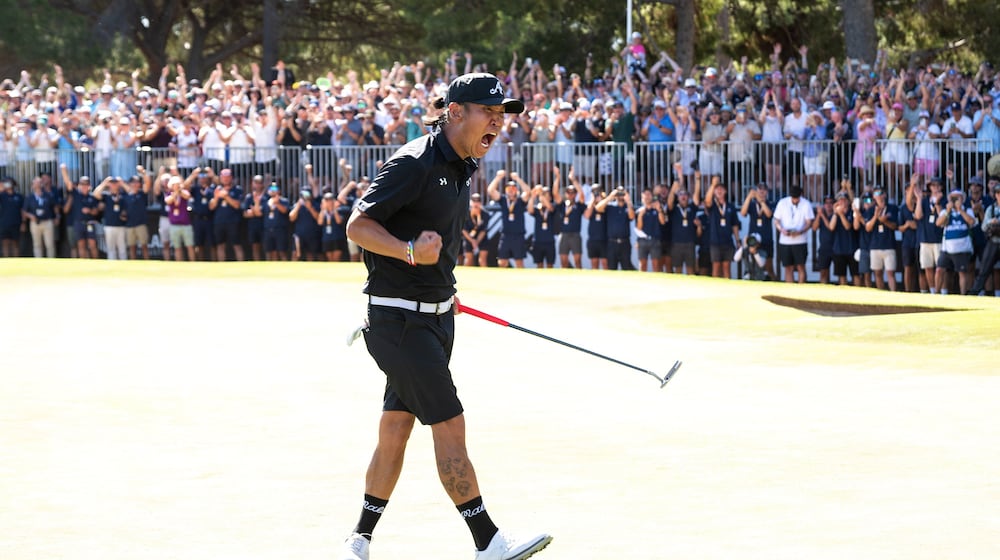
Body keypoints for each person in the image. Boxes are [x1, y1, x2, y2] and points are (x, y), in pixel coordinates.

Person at [341, 72, 551, 560]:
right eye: (488, 113)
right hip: (399, 322)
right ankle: (488, 542)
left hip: (436, 318)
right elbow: (359, 224)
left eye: (502, 115)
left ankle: (359, 537)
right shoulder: (414, 162)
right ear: (456, 112)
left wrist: (439, 289)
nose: (498, 123)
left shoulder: (464, 163)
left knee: (395, 427)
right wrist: (408, 252)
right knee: (449, 423)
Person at [935, 189, 977, 295]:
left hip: (962, 248)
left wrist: (960, 210)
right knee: (940, 270)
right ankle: (935, 293)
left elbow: (972, 222)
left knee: (962, 273)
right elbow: (938, 223)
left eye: (957, 198)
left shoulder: (967, 210)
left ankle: (963, 295)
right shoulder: (946, 211)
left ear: (962, 199)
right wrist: (948, 211)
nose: (955, 200)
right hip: (947, 248)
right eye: (953, 198)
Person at [486, 171, 530, 268]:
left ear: (516, 190)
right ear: (505, 190)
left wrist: (518, 179)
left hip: (518, 235)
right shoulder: (503, 200)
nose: (511, 190)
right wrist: (498, 177)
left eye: (513, 188)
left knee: (519, 262)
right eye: (508, 188)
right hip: (505, 235)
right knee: (502, 262)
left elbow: (527, 192)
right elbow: (490, 190)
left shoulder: (520, 201)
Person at [773, 185, 815, 283]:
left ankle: (801, 288)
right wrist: (782, 230)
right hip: (785, 241)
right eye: (793, 197)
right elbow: (776, 220)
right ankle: (789, 290)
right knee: (788, 267)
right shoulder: (782, 203)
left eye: (797, 198)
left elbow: (809, 222)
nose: (795, 200)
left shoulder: (806, 204)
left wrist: (800, 231)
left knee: (801, 266)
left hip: (800, 240)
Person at [702, 177, 740, 279]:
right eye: (717, 189)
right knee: (716, 267)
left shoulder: (730, 207)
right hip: (715, 242)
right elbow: (707, 200)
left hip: (727, 242)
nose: (719, 191)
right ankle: (715, 289)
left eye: (721, 189)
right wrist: (713, 185)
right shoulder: (713, 206)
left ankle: (727, 288)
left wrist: (737, 240)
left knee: (726, 267)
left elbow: (735, 225)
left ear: (725, 191)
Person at [862, 188, 898, 291]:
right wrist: (876, 216)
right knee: (877, 273)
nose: (878, 195)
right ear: (873, 196)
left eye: (880, 193)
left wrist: (885, 221)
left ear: (885, 195)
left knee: (890, 272)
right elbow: (868, 228)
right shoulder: (871, 210)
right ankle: (881, 293)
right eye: (875, 193)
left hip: (889, 245)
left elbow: (895, 226)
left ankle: (893, 294)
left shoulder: (892, 208)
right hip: (875, 246)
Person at [970, 182, 1000, 296]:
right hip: (993, 242)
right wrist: (990, 222)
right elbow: (983, 227)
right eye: (998, 193)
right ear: (996, 195)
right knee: (983, 270)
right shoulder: (990, 209)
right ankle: (974, 294)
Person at [208, 168, 245, 261]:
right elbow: (211, 207)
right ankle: (221, 266)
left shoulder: (237, 189)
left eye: (227, 177)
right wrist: (216, 197)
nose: (225, 179)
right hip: (219, 221)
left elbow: (237, 205)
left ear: (231, 178)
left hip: (233, 221)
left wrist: (226, 196)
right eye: (223, 177)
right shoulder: (215, 189)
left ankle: (241, 266)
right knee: (220, 245)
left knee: (237, 245)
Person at [596, 186, 635, 270]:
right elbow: (598, 208)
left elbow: (632, 217)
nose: (620, 195)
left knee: (626, 267)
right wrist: (610, 197)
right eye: (619, 193)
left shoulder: (627, 207)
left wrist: (628, 201)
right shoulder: (610, 206)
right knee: (611, 267)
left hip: (625, 242)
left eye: (622, 193)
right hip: (611, 243)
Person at [21, 176, 58, 257]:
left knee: (50, 244)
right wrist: (30, 216)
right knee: (37, 244)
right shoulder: (29, 197)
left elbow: (55, 207)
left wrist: (57, 217)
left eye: (39, 182)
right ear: (32, 185)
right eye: (35, 183)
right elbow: (24, 211)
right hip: (35, 223)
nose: (37, 185)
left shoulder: (48, 195)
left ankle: (51, 262)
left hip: (47, 221)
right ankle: (38, 262)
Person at [634, 188, 665, 272]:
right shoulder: (639, 211)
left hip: (655, 239)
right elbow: (639, 228)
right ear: (642, 198)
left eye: (649, 194)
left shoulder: (657, 209)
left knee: (656, 264)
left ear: (652, 196)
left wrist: (659, 210)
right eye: (645, 195)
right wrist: (640, 215)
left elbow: (662, 222)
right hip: (642, 240)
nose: (647, 197)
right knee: (642, 264)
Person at [0, 177, 25, 257]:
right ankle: (6, 261)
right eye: (6, 182)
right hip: (4, 223)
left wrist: (23, 223)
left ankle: (16, 261)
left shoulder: (19, 196)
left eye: (9, 182)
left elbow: (22, 210)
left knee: (16, 243)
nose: (7, 184)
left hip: (16, 223)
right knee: (5, 243)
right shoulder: (2, 196)